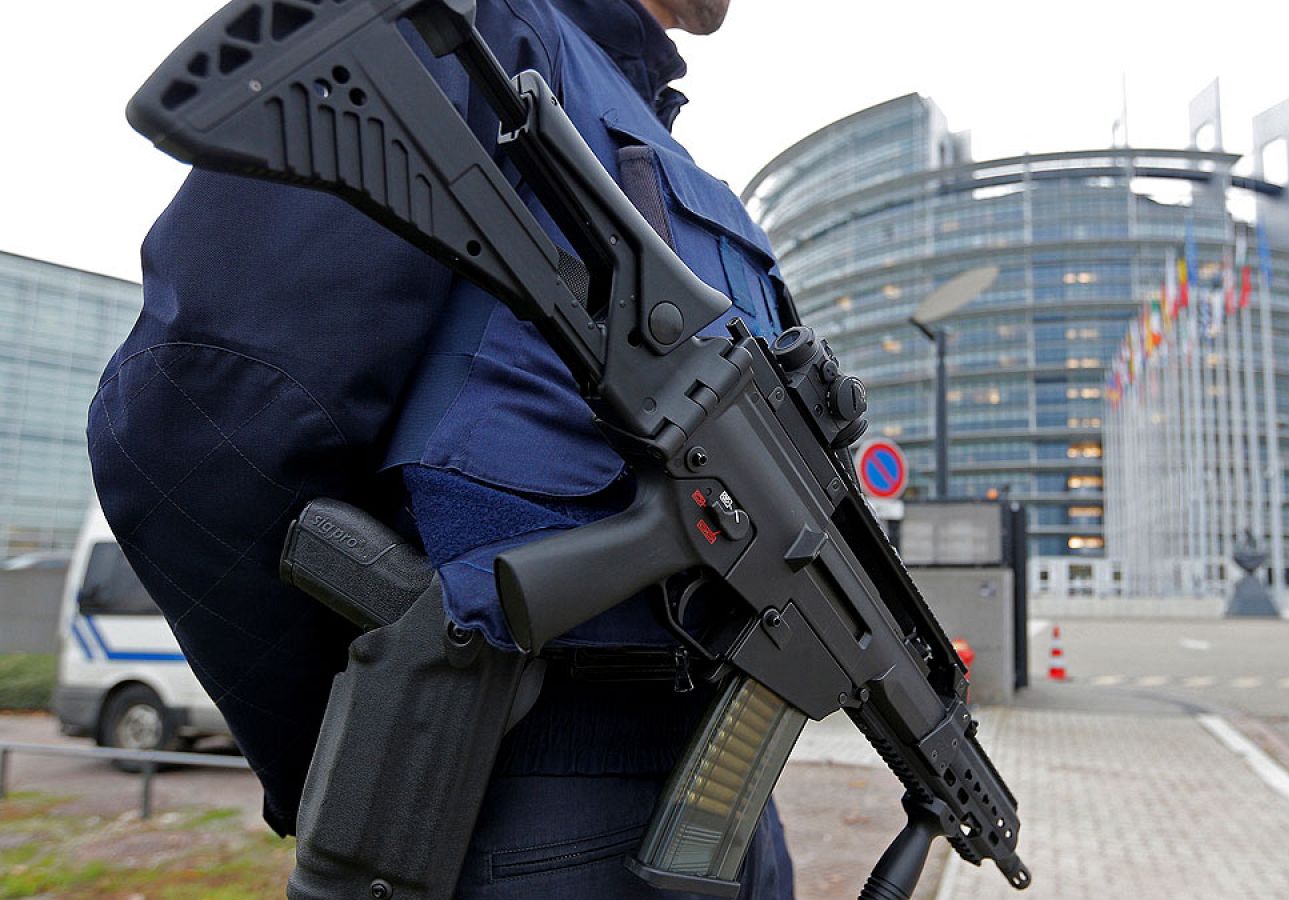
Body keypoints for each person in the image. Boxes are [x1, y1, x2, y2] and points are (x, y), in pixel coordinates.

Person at [88, 1, 796, 896]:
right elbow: (207, 410)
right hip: (526, 814)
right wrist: (398, 739)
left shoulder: (637, 113)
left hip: (721, 807)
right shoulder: (478, 26)